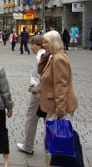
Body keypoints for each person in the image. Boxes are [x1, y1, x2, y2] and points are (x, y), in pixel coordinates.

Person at [39, 30, 79, 165]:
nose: (43, 44)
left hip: (56, 106)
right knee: (50, 139)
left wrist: (60, 110)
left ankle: (52, 164)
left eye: (46, 42)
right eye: (43, 42)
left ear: (54, 42)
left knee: (51, 140)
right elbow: (42, 73)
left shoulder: (59, 59)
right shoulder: (54, 56)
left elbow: (62, 86)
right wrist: (45, 56)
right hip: (53, 105)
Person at [16, 35, 45, 155]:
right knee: (47, 118)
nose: (30, 47)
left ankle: (27, 145)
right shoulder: (47, 55)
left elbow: (39, 76)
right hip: (44, 91)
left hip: (38, 92)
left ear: (36, 45)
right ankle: (52, 146)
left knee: (31, 118)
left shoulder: (40, 56)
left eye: (31, 45)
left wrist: (34, 88)